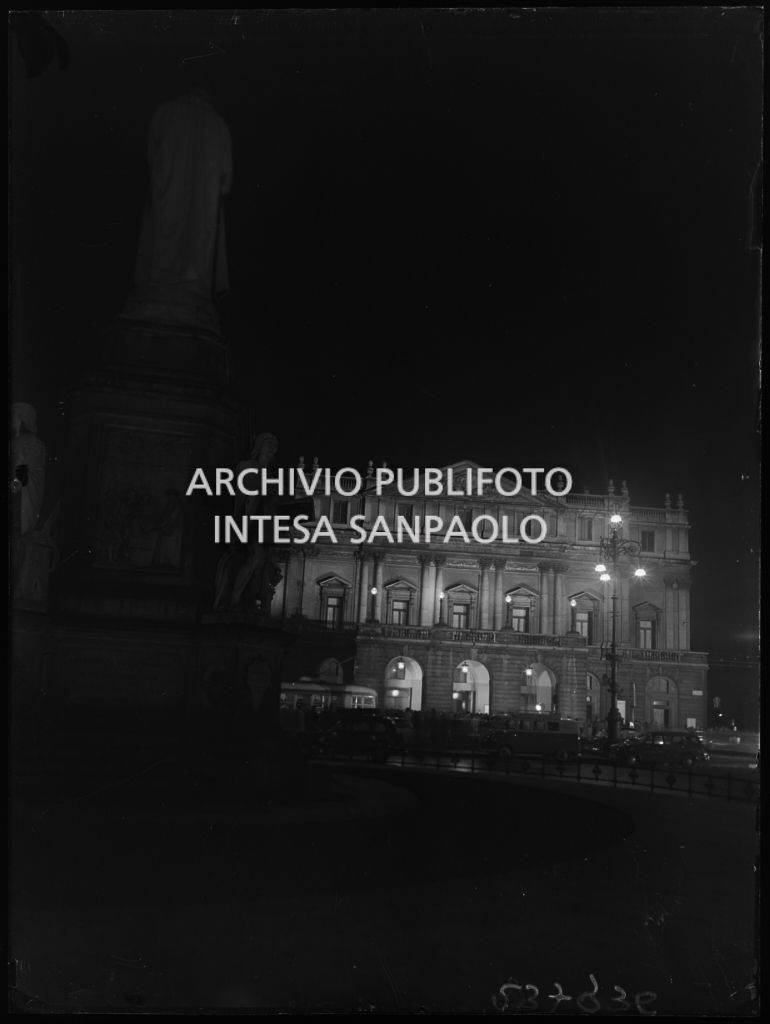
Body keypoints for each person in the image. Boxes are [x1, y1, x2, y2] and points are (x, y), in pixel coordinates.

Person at [132, 87, 232, 318]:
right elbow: (226, 184)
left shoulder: (164, 113)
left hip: (161, 230)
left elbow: (151, 159)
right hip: (198, 273)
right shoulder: (219, 126)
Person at [213, 433, 282, 611]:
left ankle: (247, 599)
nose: (271, 450)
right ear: (259, 447)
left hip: (263, 523)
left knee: (261, 563)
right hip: (246, 518)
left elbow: (272, 502)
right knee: (254, 558)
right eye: (268, 445)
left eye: (274, 448)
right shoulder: (246, 466)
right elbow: (243, 493)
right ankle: (234, 599)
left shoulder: (271, 474)